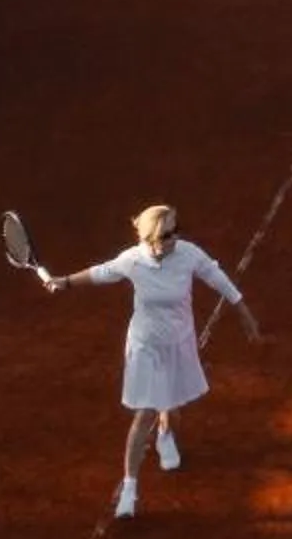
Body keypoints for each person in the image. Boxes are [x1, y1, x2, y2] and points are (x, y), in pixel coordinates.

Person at [45, 204, 263, 520]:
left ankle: (166, 434)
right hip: (144, 346)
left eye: (177, 230)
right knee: (145, 411)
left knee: (172, 409)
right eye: (170, 233)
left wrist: (244, 314)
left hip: (179, 344)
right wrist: (62, 282)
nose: (177, 237)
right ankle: (130, 489)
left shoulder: (188, 254)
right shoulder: (133, 260)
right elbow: (100, 273)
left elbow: (217, 278)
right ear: (153, 239)